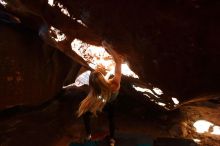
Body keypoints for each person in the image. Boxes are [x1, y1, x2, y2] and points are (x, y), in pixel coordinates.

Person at [77, 41, 123, 146]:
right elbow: (119, 62)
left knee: (85, 113)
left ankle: (88, 134)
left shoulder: (94, 91)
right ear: (103, 78)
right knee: (111, 118)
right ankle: (112, 139)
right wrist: (108, 47)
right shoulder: (114, 85)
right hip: (110, 103)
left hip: (100, 102)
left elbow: (98, 84)